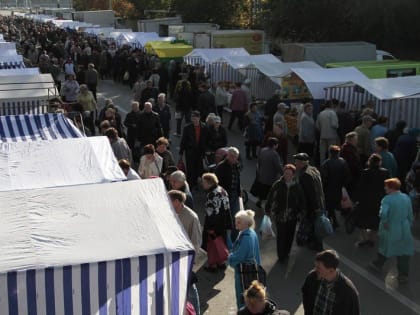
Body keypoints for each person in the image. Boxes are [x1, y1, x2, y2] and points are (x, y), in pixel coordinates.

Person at [369, 178, 414, 284]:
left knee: (385, 247)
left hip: (392, 227)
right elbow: (410, 213)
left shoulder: (387, 199)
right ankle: (403, 275)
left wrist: (384, 222)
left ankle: (378, 264)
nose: (385, 188)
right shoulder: (406, 197)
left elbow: (383, 213)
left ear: (391, 188)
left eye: (386, 186)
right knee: (403, 252)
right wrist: (409, 224)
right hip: (404, 227)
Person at [167, 190, 202, 315]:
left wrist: (191, 262)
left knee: (190, 290)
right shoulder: (169, 213)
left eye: (169, 200)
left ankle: (195, 312)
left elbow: (196, 242)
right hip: (172, 259)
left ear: (176, 202)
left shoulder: (191, 217)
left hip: (186, 260)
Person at [265, 164, 305, 262]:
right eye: (286, 173)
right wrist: (268, 209)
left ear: (293, 175)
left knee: (290, 235)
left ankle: (286, 252)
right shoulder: (278, 184)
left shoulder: (297, 186)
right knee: (281, 236)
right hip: (280, 216)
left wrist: (301, 212)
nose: (287, 176)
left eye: (290, 174)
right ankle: (281, 256)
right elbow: (270, 197)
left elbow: (302, 201)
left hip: (292, 216)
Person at [302, 250, 360, 315]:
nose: (315, 269)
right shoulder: (312, 277)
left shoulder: (348, 292)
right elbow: (306, 295)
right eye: (315, 266)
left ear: (331, 270)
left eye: (319, 268)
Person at [354, 153, 389, 247]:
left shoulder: (366, 172)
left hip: (366, 200)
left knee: (362, 221)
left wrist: (357, 199)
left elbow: (360, 187)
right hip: (379, 200)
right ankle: (372, 239)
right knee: (376, 220)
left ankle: (365, 239)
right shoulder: (385, 172)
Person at [228, 210, 261, 309]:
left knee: (242, 296)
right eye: (236, 221)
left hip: (244, 271)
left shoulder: (246, 237)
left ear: (246, 223)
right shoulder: (251, 232)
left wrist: (230, 257)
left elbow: (239, 256)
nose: (236, 224)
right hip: (252, 269)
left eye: (239, 222)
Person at [201, 173, 233, 271]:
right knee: (220, 242)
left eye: (204, 182)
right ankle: (221, 262)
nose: (202, 184)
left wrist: (210, 227)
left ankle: (213, 265)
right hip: (223, 222)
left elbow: (211, 213)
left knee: (211, 244)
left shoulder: (211, 194)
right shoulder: (222, 190)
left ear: (209, 183)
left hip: (214, 223)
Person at [294, 153, 325, 251]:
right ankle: (314, 243)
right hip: (319, 203)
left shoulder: (305, 175)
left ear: (301, 163)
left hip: (312, 206)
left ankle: (316, 245)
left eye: (296, 161)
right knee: (315, 225)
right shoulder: (313, 169)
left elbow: (309, 194)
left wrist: (306, 209)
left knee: (312, 226)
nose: (295, 163)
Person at [320, 145, 351, 229]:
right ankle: (341, 221)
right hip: (339, 187)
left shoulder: (326, 163)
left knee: (330, 206)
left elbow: (323, 178)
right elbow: (347, 176)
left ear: (330, 153)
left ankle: (332, 221)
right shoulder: (343, 162)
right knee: (339, 205)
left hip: (329, 189)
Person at [216, 147, 242, 241]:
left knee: (237, 219)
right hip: (225, 197)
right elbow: (217, 183)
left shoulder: (236, 165)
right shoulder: (221, 167)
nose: (234, 158)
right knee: (225, 220)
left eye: (235, 157)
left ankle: (234, 240)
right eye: (232, 156)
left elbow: (238, 179)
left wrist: (239, 192)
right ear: (227, 156)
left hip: (235, 195)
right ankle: (224, 242)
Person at [179, 111, 209, 190]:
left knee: (199, 168)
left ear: (199, 118)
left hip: (200, 151)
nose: (194, 119)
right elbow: (184, 140)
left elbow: (207, 139)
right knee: (190, 168)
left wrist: (206, 150)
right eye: (192, 118)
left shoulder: (204, 127)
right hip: (190, 151)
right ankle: (190, 185)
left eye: (195, 118)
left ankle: (196, 183)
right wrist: (181, 152)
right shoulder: (187, 128)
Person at [254, 137, 283, 207]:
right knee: (270, 192)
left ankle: (259, 201)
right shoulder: (274, 154)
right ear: (274, 145)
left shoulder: (262, 150)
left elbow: (259, 162)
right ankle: (268, 205)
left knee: (262, 191)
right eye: (277, 144)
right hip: (271, 177)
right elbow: (278, 166)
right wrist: (283, 173)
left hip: (262, 175)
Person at [340, 132, 362, 198]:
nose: (356, 141)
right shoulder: (347, 149)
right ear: (350, 140)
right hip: (351, 175)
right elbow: (352, 164)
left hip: (351, 174)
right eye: (355, 140)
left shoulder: (350, 148)